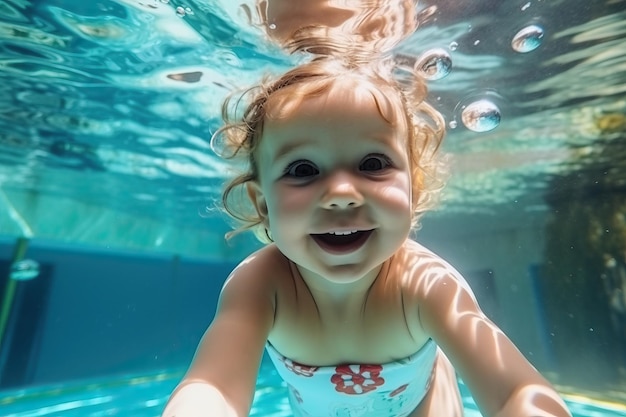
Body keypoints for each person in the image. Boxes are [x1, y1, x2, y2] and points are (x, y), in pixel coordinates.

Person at [161, 52, 572, 417]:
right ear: (263, 204)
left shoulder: (428, 285)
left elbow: (513, 394)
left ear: (415, 186)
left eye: (373, 163)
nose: (341, 194)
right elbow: (212, 388)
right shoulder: (259, 286)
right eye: (303, 170)